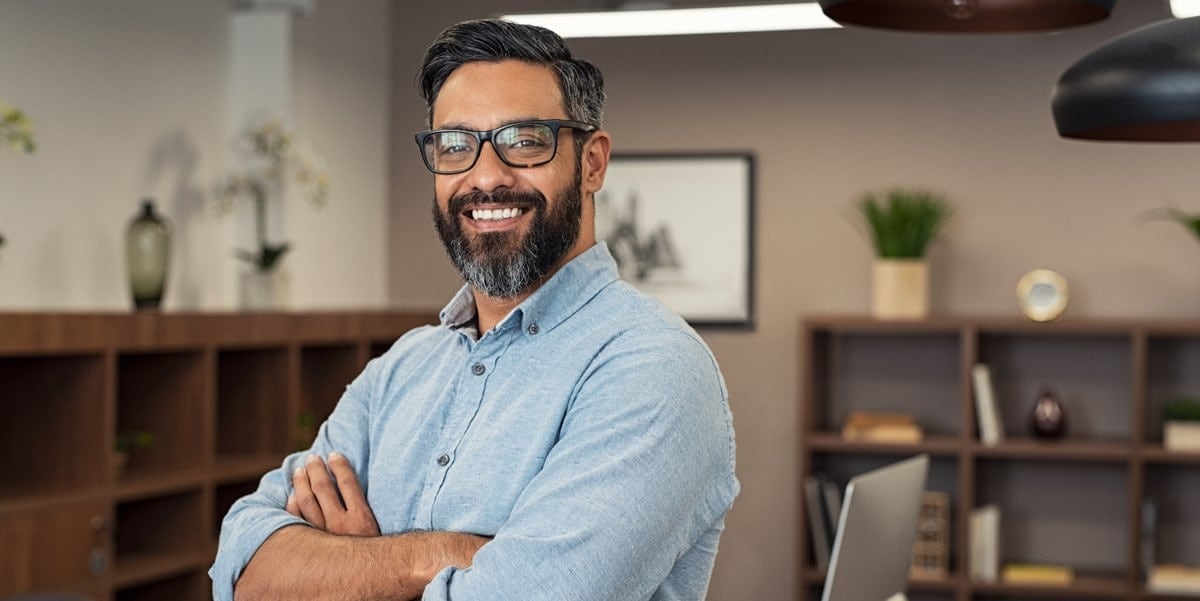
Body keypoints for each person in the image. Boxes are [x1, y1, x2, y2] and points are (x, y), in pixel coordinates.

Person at [210, 18, 738, 601]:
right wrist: (440, 555)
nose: (486, 176)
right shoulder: (400, 370)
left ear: (592, 162)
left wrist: (347, 564)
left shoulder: (652, 368)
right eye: (455, 145)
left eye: (525, 139)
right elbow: (242, 569)